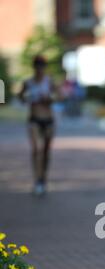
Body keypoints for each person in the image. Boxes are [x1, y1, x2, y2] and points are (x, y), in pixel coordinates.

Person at [19, 55, 57, 196]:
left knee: (46, 151)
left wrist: (49, 98)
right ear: (34, 67)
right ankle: (37, 180)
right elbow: (21, 97)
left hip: (48, 120)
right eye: (37, 67)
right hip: (34, 119)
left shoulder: (49, 82)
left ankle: (43, 178)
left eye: (42, 67)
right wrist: (26, 98)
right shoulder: (28, 82)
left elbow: (60, 96)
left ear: (45, 68)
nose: (40, 70)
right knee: (36, 150)